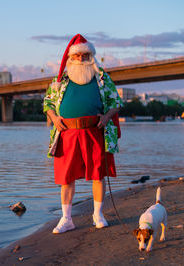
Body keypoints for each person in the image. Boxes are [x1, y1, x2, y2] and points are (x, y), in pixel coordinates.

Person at [43, 34, 123, 234]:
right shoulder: (60, 79)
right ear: (71, 57)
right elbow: (48, 103)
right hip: (67, 133)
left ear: (91, 56)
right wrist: (54, 117)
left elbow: (115, 102)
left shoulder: (102, 77)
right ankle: (66, 219)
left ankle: (98, 214)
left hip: (94, 131)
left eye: (85, 55)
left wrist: (106, 117)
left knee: (98, 174)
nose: (81, 59)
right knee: (66, 177)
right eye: (77, 55)